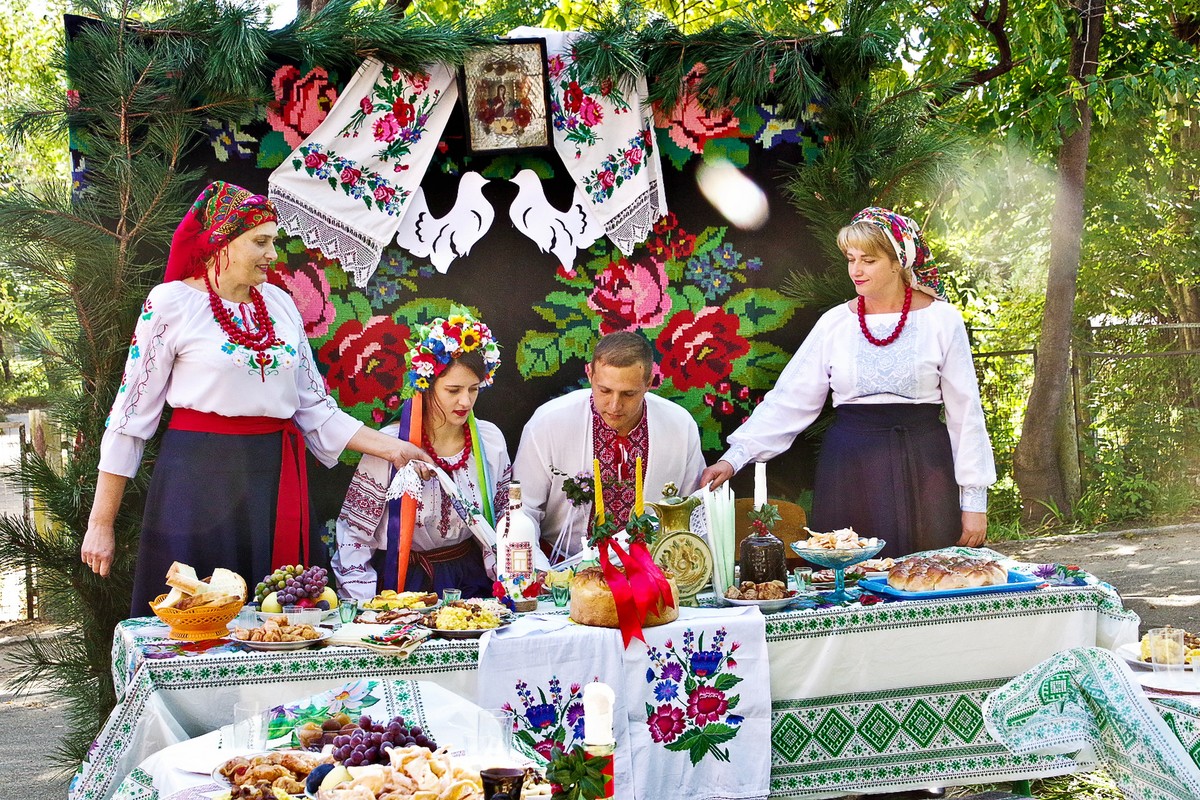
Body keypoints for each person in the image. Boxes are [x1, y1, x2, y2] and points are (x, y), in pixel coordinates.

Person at [80, 181, 433, 614]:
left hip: (273, 480)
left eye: (273, 242)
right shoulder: (172, 304)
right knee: (196, 620)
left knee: (282, 622)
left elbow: (315, 410)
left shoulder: (280, 306)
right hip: (197, 482)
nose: (272, 254)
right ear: (221, 242)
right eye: (260, 242)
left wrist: (393, 447)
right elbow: (130, 418)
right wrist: (101, 523)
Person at [701, 207, 995, 558]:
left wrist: (974, 500)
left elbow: (966, 414)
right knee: (849, 582)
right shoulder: (835, 323)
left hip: (924, 468)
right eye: (851, 258)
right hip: (851, 470)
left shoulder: (943, 320)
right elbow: (791, 399)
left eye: (868, 260)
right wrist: (734, 458)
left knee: (930, 578)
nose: (855, 270)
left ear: (898, 261)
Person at [332, 312, 510, 600]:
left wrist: (508, 581)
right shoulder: (390, 447)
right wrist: (364, 605)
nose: (465, 401)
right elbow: (354, 535)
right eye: (453, 390)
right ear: (426, 386)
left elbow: (504, 522)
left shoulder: (489, 442)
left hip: (472, 581)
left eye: (474, 389)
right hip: (406, 582)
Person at [513, 331, 705, 562]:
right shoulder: (548, 423)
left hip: (651, 568)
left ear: (649, 384)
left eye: (629, 394)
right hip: (560, 563)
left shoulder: (679, 425)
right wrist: (543, 575)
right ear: (590, 374)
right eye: (604, 390)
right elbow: (522, 511)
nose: (615, 405)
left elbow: (690, 512)